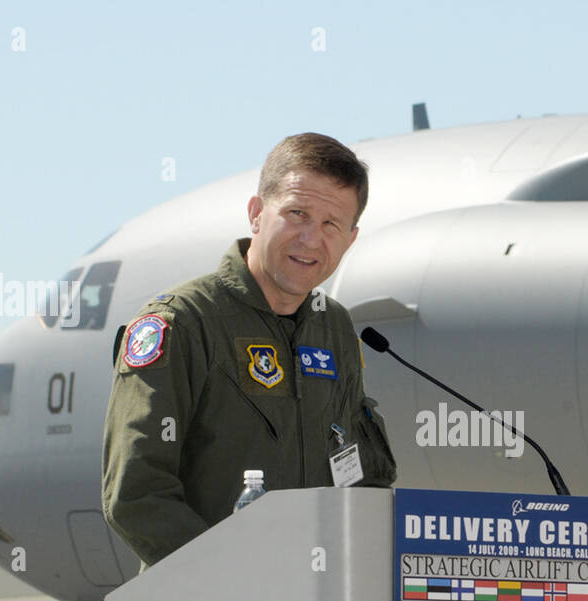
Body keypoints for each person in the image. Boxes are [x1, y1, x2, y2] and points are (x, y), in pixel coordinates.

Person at [102, 132, 397, 569]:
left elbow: (362, 474)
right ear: (257, 214)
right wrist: (233, 579)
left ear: (350, 240)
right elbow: (136, 494)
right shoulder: (181, 322)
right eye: (297, 214)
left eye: (331, 225)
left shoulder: (333, 328)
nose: (312, 239)